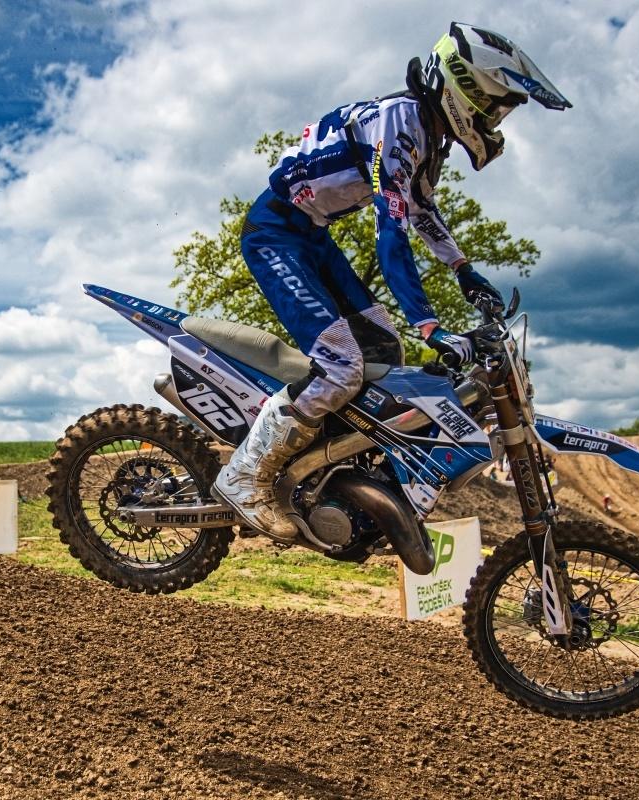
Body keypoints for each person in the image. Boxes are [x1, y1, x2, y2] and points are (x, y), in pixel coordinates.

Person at [212, 23, 571, 537]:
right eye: (495, 108)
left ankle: (329, 475)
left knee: (383, 350)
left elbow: (421, 210)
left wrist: (464, 271)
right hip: (275, 233)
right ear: (464, 91)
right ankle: (247, 474)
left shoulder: (425, 134)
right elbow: (391, 233)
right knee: (340, 367)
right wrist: (429, 325)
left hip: (311, 237)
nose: (495, 121)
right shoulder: (399, 123)